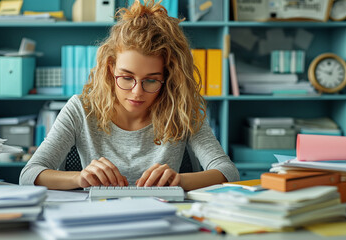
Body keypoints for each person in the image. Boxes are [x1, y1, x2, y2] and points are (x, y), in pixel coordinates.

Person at [20, 0, 239, 191]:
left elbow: (228, 172)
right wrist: (80, 177)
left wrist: (179, 180)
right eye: (126, 78)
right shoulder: (80, 109)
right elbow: (29, 174)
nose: (137, 92)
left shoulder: (181, 109)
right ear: (110, 68)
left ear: (167, 77)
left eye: (151, 80)